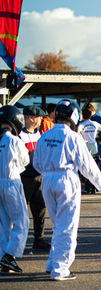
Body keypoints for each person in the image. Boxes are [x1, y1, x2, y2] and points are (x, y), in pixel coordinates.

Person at [34, 99, 101, 281]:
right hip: (66, 180)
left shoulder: (44, 136)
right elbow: (86, 164)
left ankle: (52, 263)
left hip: (47, 180)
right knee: (67, 226)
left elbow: (36, 163)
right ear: (74, 116)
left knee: (58, 224)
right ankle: (60, 268)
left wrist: (49, 173)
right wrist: (100, 184)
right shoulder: (73, 137)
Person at [0, 106, 29, 274]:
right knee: (21, 221)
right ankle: (10, 257)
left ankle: (3, 256)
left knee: (4, 224)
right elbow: (25, 160)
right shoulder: (14, 140)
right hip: (11, 182)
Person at [19, 105, 51, 251]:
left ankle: (38, 239)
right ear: (31, 118)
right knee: (19, 211)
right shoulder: (18, 135)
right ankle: (16, 240)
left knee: (40, 210)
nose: (41, 120)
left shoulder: (41, 135)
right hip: (23, 178)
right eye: (39, 118)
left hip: (39, 177)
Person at [78, 107, 101, 194]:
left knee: (86, 167)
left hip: (86, 146)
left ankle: (87, 188)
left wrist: (81, 139)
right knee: (94, 167)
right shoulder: (95, 123)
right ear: (91, 115)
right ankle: (94, 187)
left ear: (82, 116)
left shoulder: (82, 125)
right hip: (94, 146)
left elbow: (77, 131)